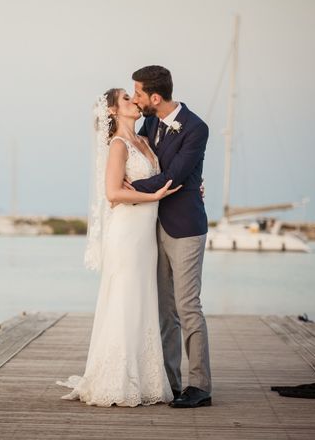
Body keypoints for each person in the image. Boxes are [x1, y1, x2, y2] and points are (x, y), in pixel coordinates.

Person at [56, 87, 179, 407]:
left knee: (143, 300)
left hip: (145, 236)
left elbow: (162, 177)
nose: (133, 101)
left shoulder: (145, 141)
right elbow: (113, 194)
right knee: (125, 299)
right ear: (112, 111)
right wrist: (152, 197)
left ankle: (145, 377)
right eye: (126, 98)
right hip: (126, 234)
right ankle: (117, 379)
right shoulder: (118, 146)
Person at [128, 65, 212, 408]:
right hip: (151, 226)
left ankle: (200, 385)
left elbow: (174, 177)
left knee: (187, 305)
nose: (135, 99)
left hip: (186, 226)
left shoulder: (196, 128)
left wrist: (126, 188)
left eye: (138, 94)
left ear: (155, 97)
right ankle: (171, 382)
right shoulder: (149, 123)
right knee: (164, 310)